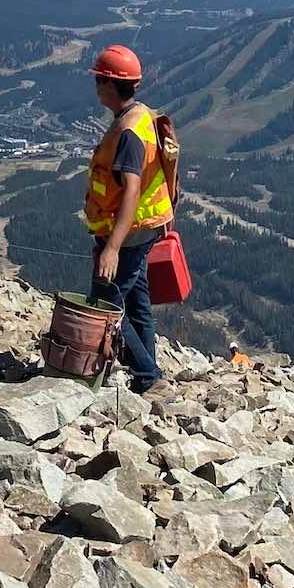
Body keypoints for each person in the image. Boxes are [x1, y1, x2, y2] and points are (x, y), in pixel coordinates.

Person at [83, 43, 174, 397]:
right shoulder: (140, 117)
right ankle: (146, 377)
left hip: (130, 233)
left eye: (98, 80)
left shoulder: (130, 133)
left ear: (108, 83)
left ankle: (149, 376)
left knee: (106, 305)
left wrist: (112, 249)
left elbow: (132, 191)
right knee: (136, 302)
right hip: (143, 229)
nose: (96, 88)